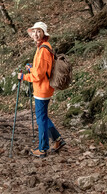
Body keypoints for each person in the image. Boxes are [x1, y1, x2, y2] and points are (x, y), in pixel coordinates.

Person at [18, 21, 66, 158]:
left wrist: (24, 76)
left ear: (44, 33)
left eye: (39, 31)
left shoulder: (43, 49)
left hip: (42, 89)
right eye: (34, 31)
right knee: (43, 117)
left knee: (41, 119)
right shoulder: (43, 47)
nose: (36, 34)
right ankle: (58, 140)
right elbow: (41, 69)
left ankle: (42, 148)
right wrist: (31, 67)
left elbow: (38, 75)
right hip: (44, 88)